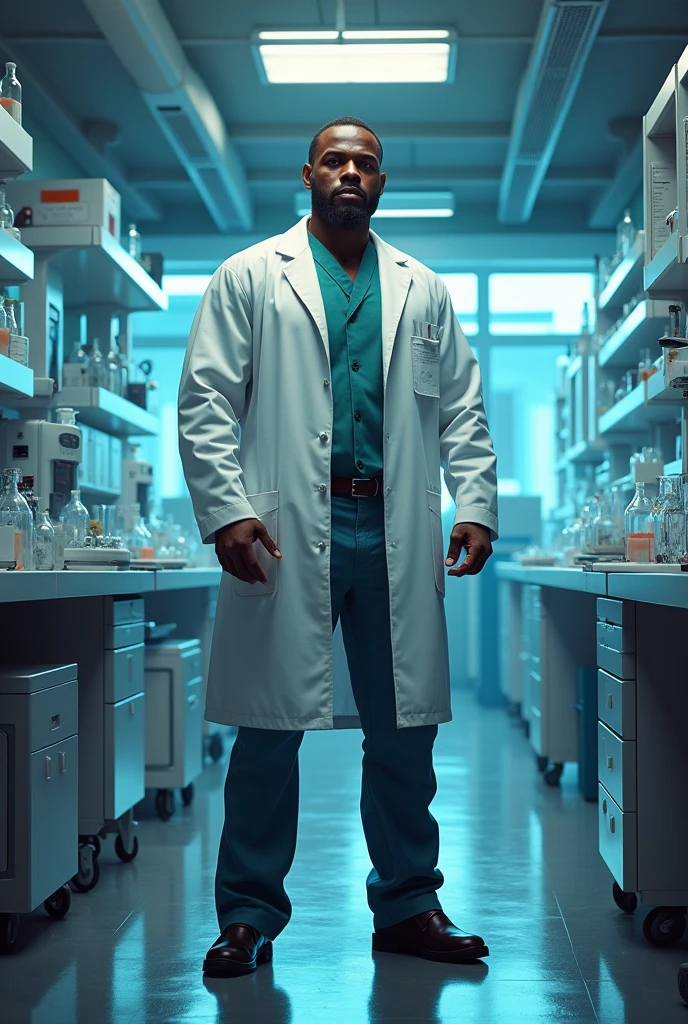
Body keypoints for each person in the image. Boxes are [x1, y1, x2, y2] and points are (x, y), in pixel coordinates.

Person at [178, 115, 498, 978]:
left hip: (391, 526)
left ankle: (407, 906)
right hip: (286, 526)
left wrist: (476, 502)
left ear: (382, 183)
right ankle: (247, 915)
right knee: (269, 727)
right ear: (309, 174)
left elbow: (462, 408)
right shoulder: (251, 275)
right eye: (336, 160)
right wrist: (226, 510)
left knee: (404, 732)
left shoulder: (422, 288)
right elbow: (206, 400)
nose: (350, 172)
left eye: (366, 163)